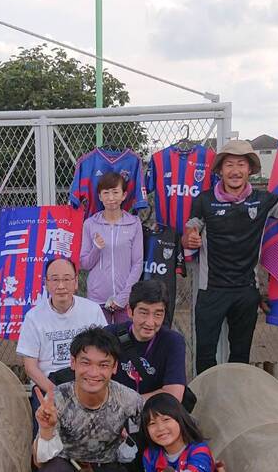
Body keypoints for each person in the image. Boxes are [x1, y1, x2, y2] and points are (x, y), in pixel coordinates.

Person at [182, 139, 278, 375]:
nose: (235, 171)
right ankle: (203, 398)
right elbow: (189, 233)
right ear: (220, 170)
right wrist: (191, 238)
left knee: (240, 354)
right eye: (229, 165)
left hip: (246, 291)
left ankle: (237, 396)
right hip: (211, 291)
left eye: (241, 164)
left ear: (250, 169)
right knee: (205, 354)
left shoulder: (264, 200)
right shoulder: (204, 200)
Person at [31, 327, 144, 472]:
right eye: (86, 363)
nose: (93, 373)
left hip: (106, 467)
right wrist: (46, 428)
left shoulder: (129, 400)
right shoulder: (57, 399)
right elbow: (39, 461)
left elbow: (148, 438)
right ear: (73, 363)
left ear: (114, 368)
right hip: (66, 468)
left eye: (103, 365)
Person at [17, 257, 107, 409]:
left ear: (76, 282)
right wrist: (56, 393)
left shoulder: (92, 310)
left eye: (66, 279)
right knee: (46, 419)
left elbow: (105, 352)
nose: (61, 286)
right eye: (54, 279)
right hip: (48, 383)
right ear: (46, 283)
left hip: (87, 379)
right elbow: (30, 367)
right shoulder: (33, 317)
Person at [106, 280, 189, 404]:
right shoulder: (110, 335)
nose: (150, 322)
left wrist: (128, 404)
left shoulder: (173, 341)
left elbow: (174, 395)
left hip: (154, 412)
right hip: (114, 410)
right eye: (144, 313)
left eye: (158, 314)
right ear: (130, 311)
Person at [80, 172, 144, 325]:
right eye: (106, 193)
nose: (111, 198)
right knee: (100, 339)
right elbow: (84, 264)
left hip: (125, 298)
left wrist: (123, 297)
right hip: (97, 299)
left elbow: (137, 263)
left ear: (124, 195)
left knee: (125, 338)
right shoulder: (90, 224)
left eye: (115, 192)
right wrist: (96, 248)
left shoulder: (134, 223)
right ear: (100, 196)